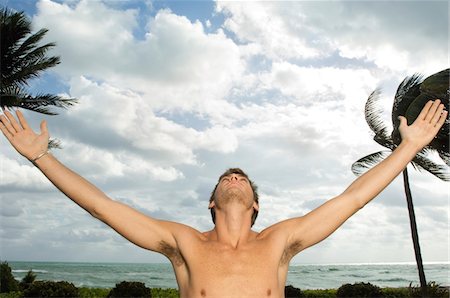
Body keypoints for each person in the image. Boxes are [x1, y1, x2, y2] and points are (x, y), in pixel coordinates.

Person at [0, 100, 447, 298]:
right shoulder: (183, 243)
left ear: (255, 205)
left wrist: (407, 148)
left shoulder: (280, 241)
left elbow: (351, 200)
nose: (234, 177)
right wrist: (42, 158)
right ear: (212, 202)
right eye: (225, 178)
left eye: (243, 178)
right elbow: (103, 206)